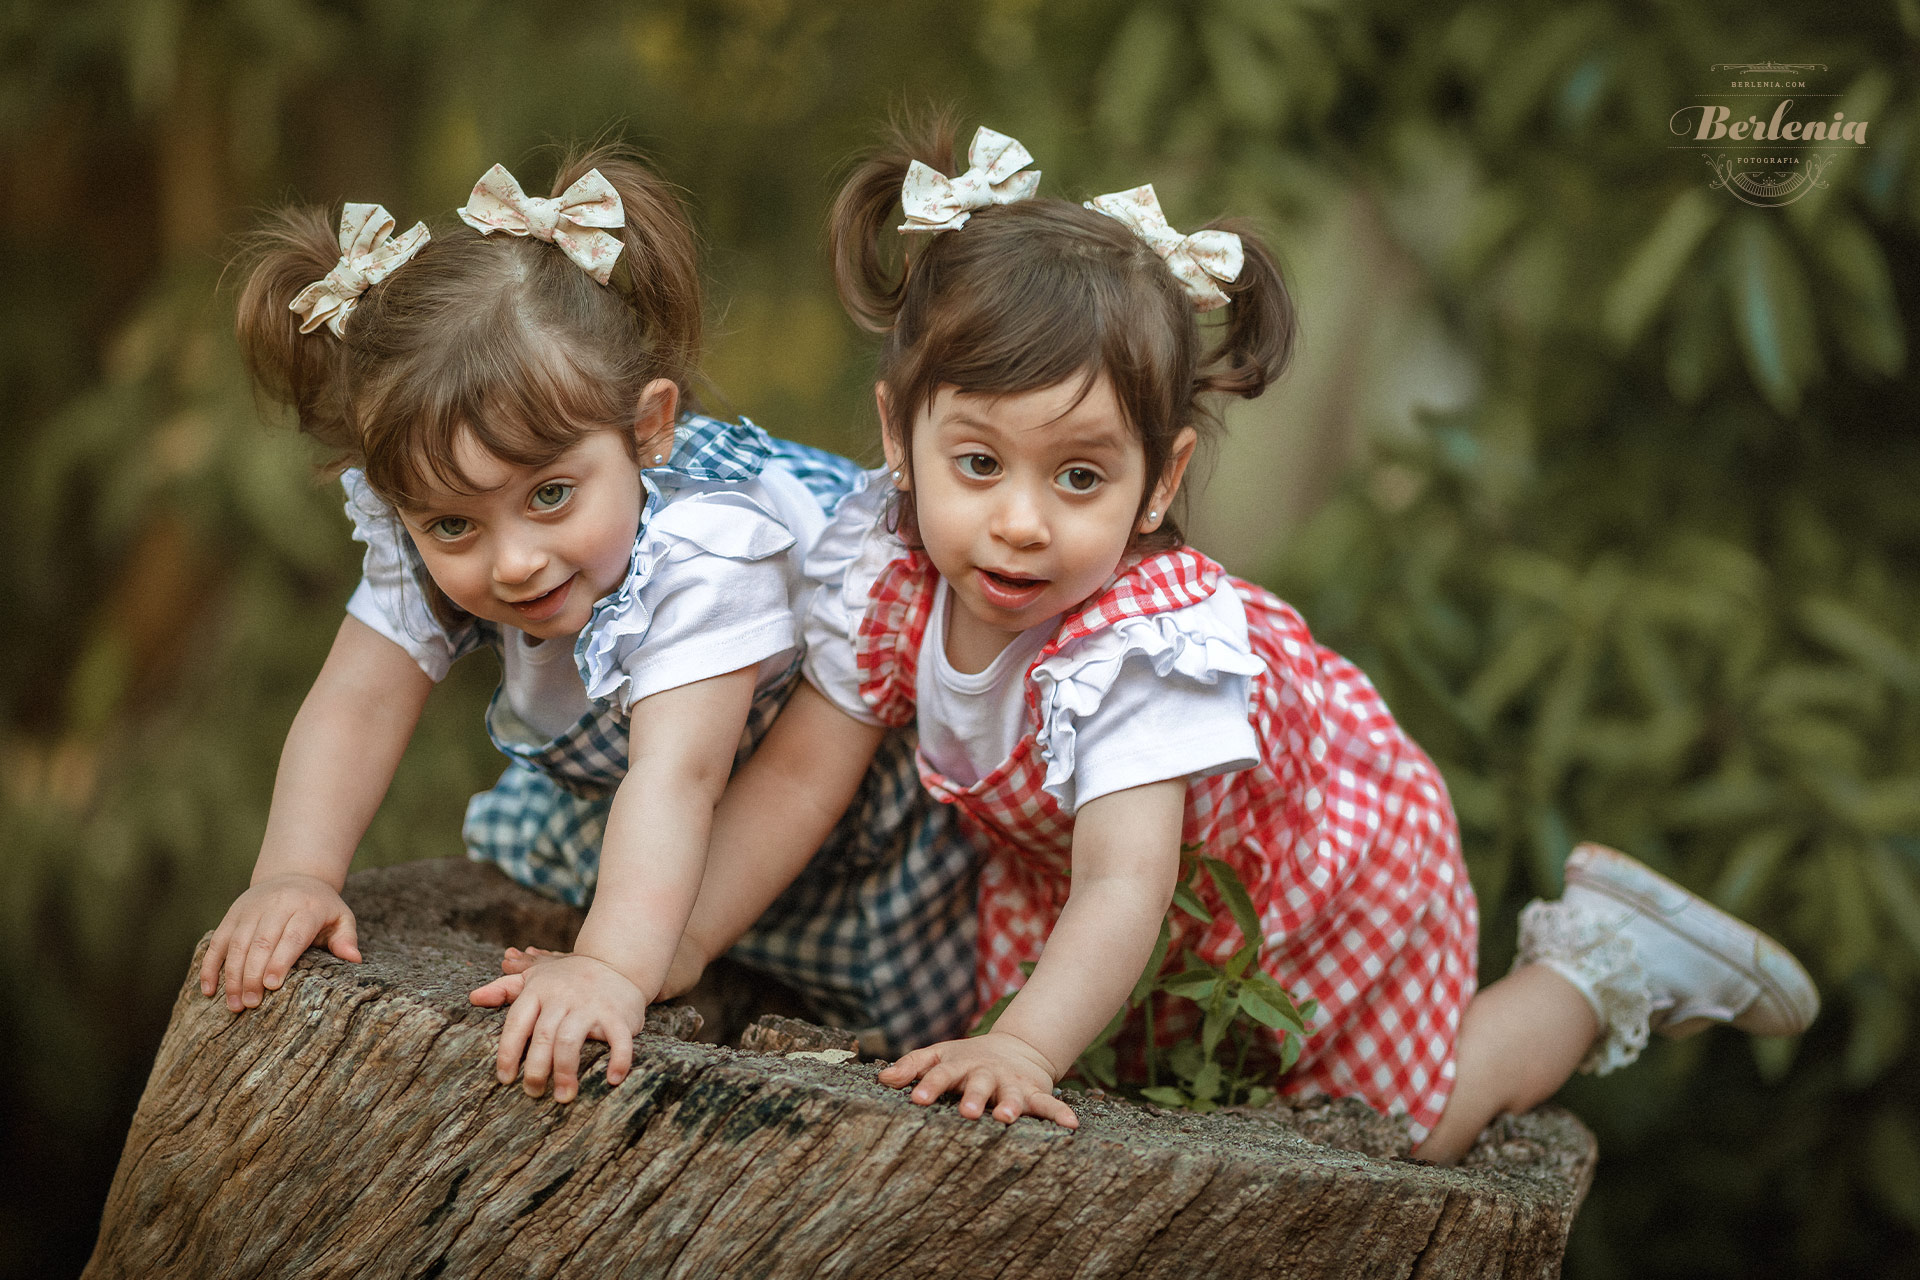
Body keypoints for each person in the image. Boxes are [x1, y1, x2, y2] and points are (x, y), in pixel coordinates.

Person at [652, 122, 1820, 1163]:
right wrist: (668, 943)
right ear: (897, 440)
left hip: (1291, 879)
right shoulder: (890, 574)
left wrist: (1023, 1047)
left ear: (1160, 479)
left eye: (1079, 475)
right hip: (1079, 895)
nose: (1019, 518)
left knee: (1395, 1125)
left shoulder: (1140, 650)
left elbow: (1127, 878)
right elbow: (799, 779)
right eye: (978, 462)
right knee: (1093, 1106)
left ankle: (1591, 969)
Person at [200, 146, 979, 1106]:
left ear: (648, 429)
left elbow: (681, 772)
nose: (514, 558)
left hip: (832, 784)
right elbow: (358, 698)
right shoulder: (447, 516)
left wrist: (614, 965)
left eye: (553, 495)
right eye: (454, 525)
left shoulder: (707, 550)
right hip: (668, 796)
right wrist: (295, 873)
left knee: (854, 1038)